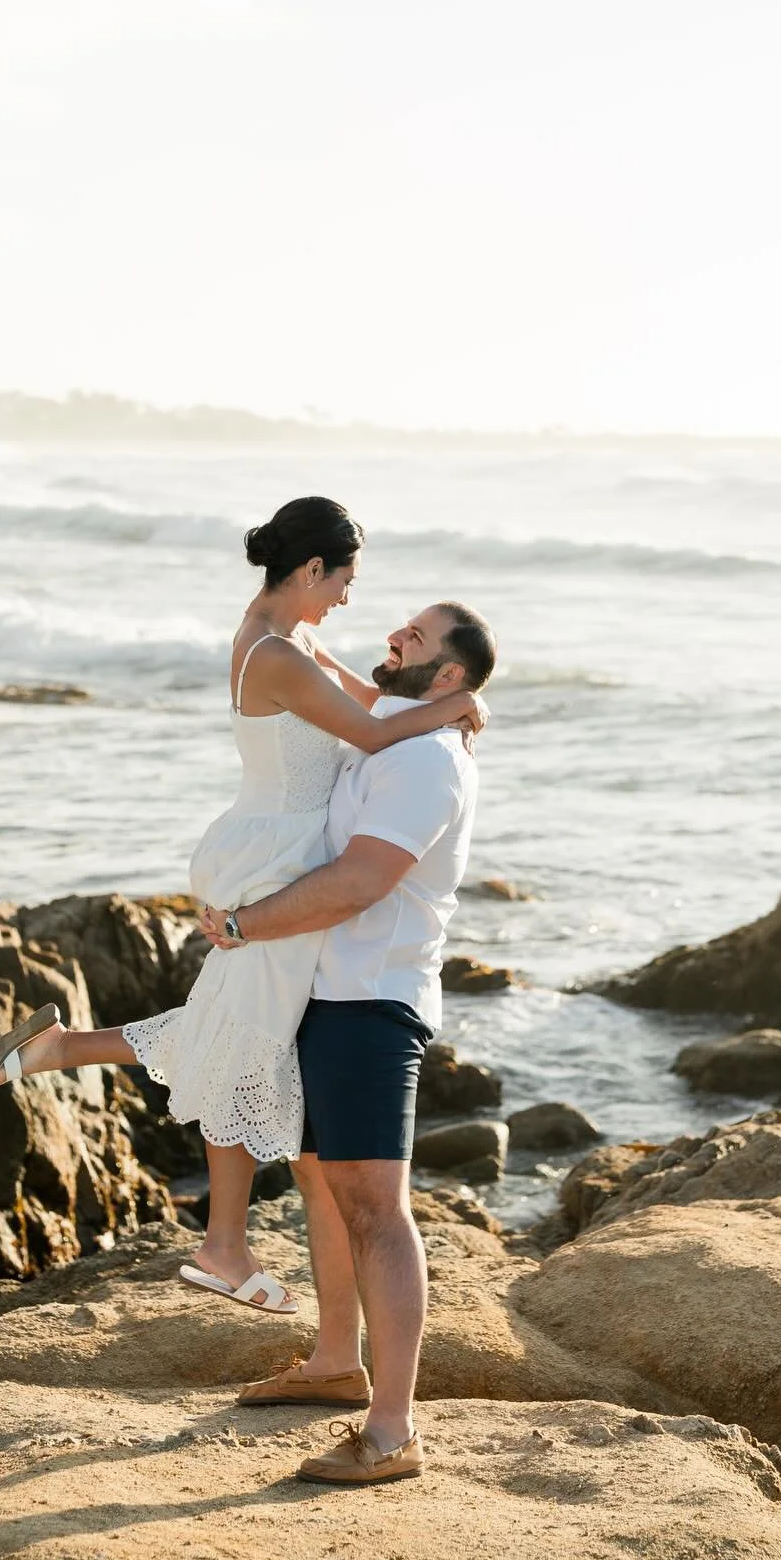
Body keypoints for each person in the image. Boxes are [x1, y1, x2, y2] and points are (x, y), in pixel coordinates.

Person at [0, 498, 485, 1317]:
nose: (349, 598)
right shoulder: (274, 653)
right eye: (345, 579)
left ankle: (65, 1057)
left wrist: (442, 704)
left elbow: (372, 711)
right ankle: (221, 1244)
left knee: (238, 1018)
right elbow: (375, 736)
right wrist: (455, 705)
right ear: (313, 570)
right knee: (249, 1032)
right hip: (276, 853)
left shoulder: (295, 640)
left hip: (275, 845)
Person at [203, 599, 496, 1485]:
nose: (395, 636)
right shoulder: (392, 730)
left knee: (376, 1209)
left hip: (372, 1004)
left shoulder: (426, 765)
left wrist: (246, 926)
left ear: (448, 676)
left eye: (417, 636)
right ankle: (336, 1363)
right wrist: (281, 615)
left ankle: (393, 1433)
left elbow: (363, 881)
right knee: (321, 1189)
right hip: (325, 995)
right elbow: (323, 665)